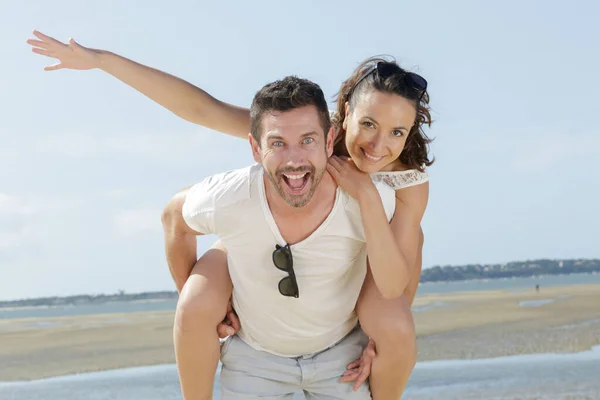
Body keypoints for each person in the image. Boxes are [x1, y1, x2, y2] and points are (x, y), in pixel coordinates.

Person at [27, 30, 433, 400]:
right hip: (260, 236)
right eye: (367, 124)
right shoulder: (299, 134)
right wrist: (101, 59)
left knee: (397, 312)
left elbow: (407, 262)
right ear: (341, 119)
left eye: (398, 132)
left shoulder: (406, 178)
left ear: (410, 131)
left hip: (363, 254)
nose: (378, 145)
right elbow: (201, 109)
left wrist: (379, 338)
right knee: (199, 299)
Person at [162, 75, 396, 399]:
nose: (294, 160)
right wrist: (212, 307)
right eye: (277, 143)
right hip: (255, 360)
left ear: (329, 141)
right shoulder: (232, 196)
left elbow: (400, 266)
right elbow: (173, 218)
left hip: (342, 357)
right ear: (256, 149)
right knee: (195, 300)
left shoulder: (370, 199)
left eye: (308, 141)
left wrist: (379, 340)